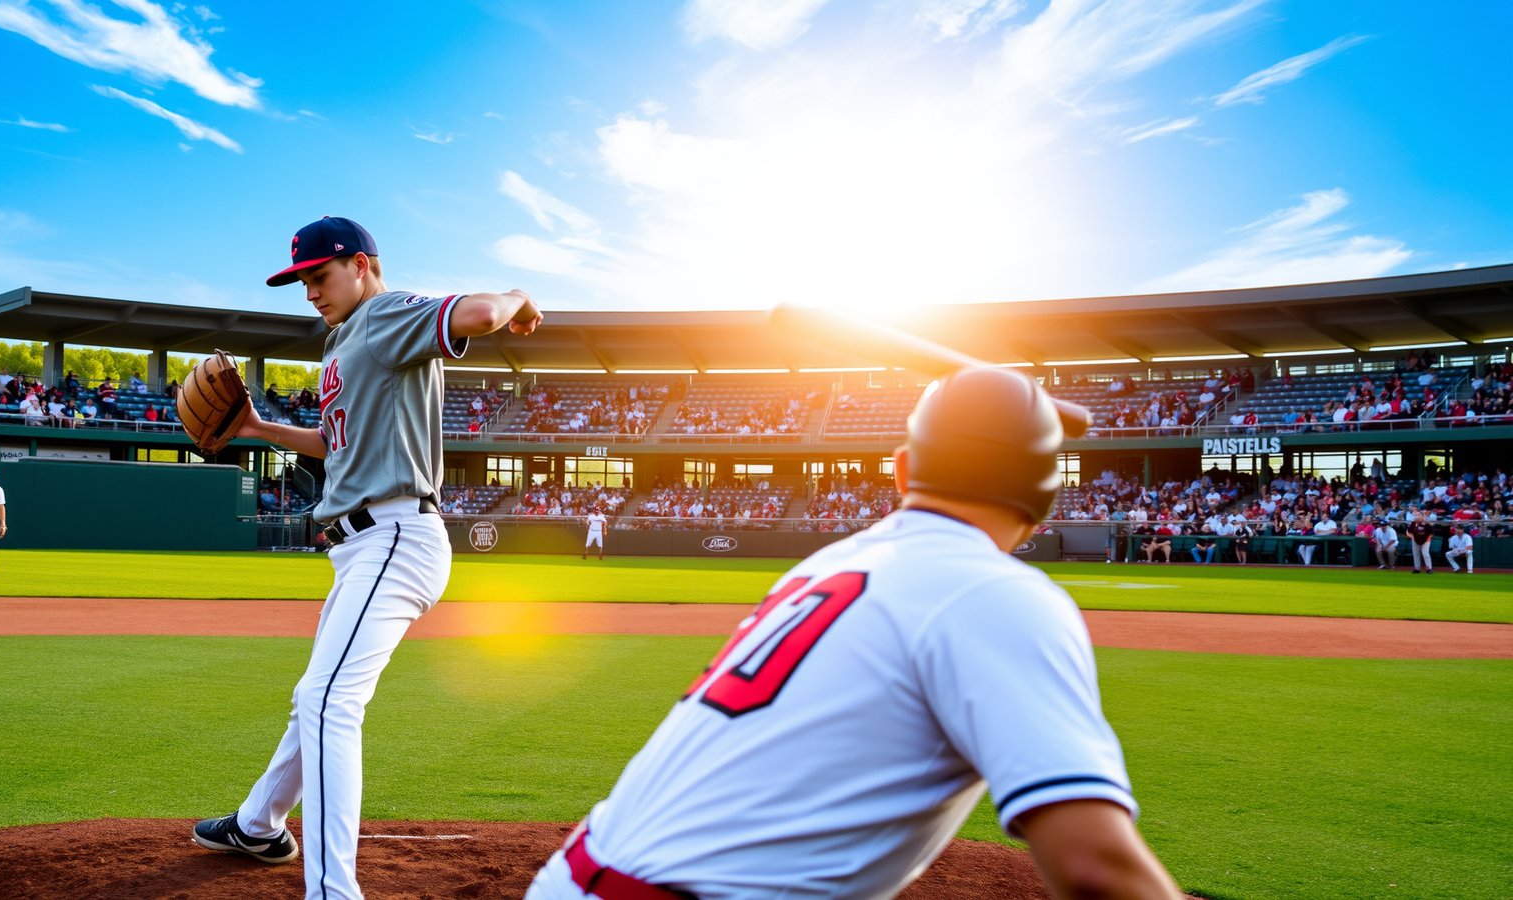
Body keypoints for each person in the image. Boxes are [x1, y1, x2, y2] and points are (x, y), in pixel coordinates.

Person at [525, 367, 1181, 900]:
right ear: (1044, 502)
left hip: (574, 875)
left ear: (901, 471)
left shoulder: (830, 561)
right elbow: (1096, 868)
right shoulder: (995, 592)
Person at [190, 215, 542, 900]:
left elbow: (475, 311)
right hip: (361, 548)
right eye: (302, 282)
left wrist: (517, 296)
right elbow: (337, 443)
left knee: (328, 701)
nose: (310, 293)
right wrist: (258, 427)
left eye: (318, 276)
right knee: (313, 701)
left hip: (393, 537)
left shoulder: (384, 314)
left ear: (361, 264)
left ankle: (332, 892)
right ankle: (259, 824)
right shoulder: (348, 344)